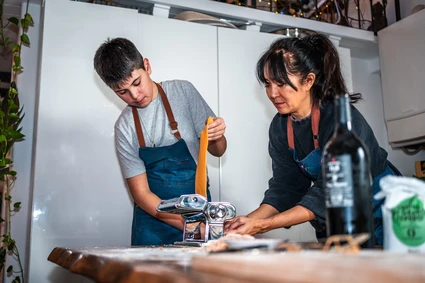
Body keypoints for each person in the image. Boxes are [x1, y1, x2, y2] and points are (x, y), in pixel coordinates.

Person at [224, 34, 400, 246]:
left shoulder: (339, 119)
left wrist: (263, 225)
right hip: (337, 215)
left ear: (308, 81)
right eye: (268, 83)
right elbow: (285, 188)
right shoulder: (280, 127)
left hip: (381, 209)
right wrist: (245, 222)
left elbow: (330, 189)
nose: (272, 93)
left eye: (281, 83)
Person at [93, 38, 227, 246]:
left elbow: (218, 151)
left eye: (137, 83)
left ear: (147, 66)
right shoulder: (124, 128)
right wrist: (189, 226)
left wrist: (217, 135)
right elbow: (142, 194)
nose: (135, 95)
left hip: (197, 212)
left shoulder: (183, 92)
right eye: (122, 92)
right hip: (153, 223)